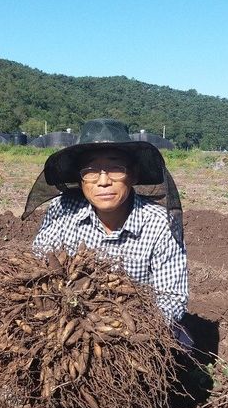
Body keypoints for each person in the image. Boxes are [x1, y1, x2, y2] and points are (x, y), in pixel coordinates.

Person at [22, 118, 191, 346]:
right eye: (91, 171)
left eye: (115, 168)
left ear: (133, 175)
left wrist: (128, 329)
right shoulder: (62, 210)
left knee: (179, 348)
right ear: (80, 180)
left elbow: (172, 298)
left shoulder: (159, 223)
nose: (103, 181)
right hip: (67, 322)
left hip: (136, 329)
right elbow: (38, 267)